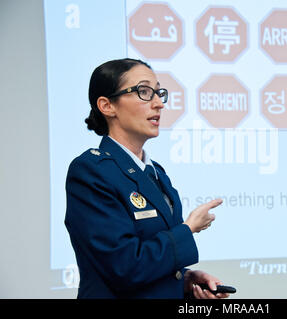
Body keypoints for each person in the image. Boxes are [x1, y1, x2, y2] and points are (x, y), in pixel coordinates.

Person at [65, 58, 229, 299]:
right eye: (144, 92)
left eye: (159, 92)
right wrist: (188, 229)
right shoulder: (91, 171)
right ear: (107, 105)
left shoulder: (156, 173)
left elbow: (150, 261)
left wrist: (185, 280)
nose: (158, 104)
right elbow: (123, 266)